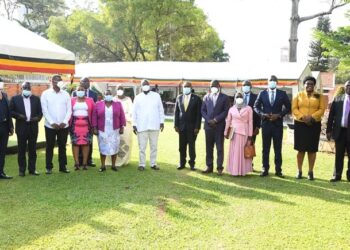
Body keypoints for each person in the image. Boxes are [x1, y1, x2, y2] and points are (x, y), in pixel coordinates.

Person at [254, 75, 291, 178]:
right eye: (270, 80)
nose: (272, 82)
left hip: (277, 125)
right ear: (267, 82)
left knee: (277, 148)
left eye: (274, 81)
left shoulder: (282, 94)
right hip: (266, 124)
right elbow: (255, 107)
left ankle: (278, 170)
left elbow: (288, 107)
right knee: (265, 148)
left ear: (277, 82)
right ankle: (265, 169)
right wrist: (262, 114)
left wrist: (279, 115)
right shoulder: (262, 93)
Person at [292, 76, 325, 180]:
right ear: (304, 85)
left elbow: (322, 109)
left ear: (314, 85)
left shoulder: (319, 96)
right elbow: (294, 108)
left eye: (311, 84)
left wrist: (312, 117)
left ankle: (310, 172)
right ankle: (299, 171)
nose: (309, 85)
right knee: (300, 149)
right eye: (307, 84)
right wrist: (302, 117)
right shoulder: (298, 95)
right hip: (300, 124)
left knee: (312, 149)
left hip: (314, 125)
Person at [10, 82, 42, 176]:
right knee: (21, 149)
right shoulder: (15, 99)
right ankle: (22, 170)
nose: (27, 90)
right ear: (21, 88)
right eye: (25, 88)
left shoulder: (36, 99)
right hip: (21, 127)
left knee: (33, 149)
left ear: (30, 89)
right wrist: (19, 116)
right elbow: (11, 111)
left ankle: (32, 169)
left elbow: (40, 112)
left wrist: (37, 118)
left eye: (28, 88)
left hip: (33, 127)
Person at [41, 75, 72, 174]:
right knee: (49, 146)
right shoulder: (45, 94)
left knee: (62, 146)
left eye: (60, 80)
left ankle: (63, 166)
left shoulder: (66, 94)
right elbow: (44, 110)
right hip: (50, 126)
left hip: (63, 126)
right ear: (52, 81)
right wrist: (52, 122)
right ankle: (48, 167)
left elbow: (69, 110)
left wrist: (65, 122)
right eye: (56, 80)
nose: (58, 81)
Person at [132, 79, 164, 171]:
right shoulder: (137, 97)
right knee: (142, 147)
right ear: (141, 86)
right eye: (143, 84)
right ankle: (142, 164)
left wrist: (162, 122)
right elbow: (134, 112)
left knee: (154, 146)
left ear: (149, 85)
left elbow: (160, 110)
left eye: (147, 84)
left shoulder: (156, 96)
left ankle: (153, 163)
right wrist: (134, 124)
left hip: (154, 125)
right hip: (142, 126)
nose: (145, 86)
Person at [201, 80, 230, 175]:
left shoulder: (225, 98)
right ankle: (209, 166)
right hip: (208, 126)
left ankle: (219, 167)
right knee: (209, 148)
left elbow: (226, 111)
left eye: (214, 85)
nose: (213, 87)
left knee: (219, 148)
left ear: (219, 86)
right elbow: (203, 110)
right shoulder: (206, 97)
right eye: (211, 86)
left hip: (219, 126)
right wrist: (209, 119)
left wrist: (216, 120)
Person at [92, 89, 126, 172]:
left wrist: (122, 127)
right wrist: (95, 128)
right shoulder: (98, 104)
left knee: (114, 146)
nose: (108, 95)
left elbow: (122, 115)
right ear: (104, 95)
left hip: (115, 129)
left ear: (112, 95)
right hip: (102, 129)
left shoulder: (118, 104)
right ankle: (103, 165)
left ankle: (113, 165)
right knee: (102, 147)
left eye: (110, 94)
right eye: (107, 94)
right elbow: (94, 117)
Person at [174, 81, 202, 171]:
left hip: (192, 128)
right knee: (181, 147)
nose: (186, 88)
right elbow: (176, 112)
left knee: (191, 147)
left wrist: (197, 127)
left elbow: (199, 114)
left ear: (191, 88)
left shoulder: (197, 98)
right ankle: (182, 163)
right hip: (181, 127)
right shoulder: (179, 97)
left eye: (187, 87)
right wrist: (176, 125)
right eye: (184, 87)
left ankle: (192, 164)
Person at [224, 92, 253, 176]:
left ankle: (243, 171)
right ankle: (234, 170)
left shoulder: (248, 108)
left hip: (245, 132)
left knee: (243, 151)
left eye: (240, 96)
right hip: (233, 132)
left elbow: (250, 121)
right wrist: (226, 132)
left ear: (243, 98)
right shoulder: (231, 109)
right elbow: (228, 121)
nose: (239, 98)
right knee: (234, 151)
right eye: (237, 97)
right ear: (234, 98)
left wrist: (250, 134)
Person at [326, 80, 350, 182]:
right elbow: (331, 116)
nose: (349, 87)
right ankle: (337, 175)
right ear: (344, 87)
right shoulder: (337, 99)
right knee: (338, 155)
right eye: (348, 85)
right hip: (339, 132)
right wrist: (328, 130)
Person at [72, 77, 98, 167]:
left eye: (88, 81)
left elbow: (95, 110)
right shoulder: (74, 94)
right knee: (76, 142)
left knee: (88, 143)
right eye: (84, 81)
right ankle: (78, 161)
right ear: (80, 82)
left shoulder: (93, 94)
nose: (86, 83)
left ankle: (88, 160)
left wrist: (94, 125)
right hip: (75, 124)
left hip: (88, 124)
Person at [113, 85, 133, 167]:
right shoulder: (113, 99)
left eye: (121, 89)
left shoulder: (128, 99)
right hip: (115, 123)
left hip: (126, 124)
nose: (120, 90)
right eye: (118, 89)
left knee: (125, 142)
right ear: (116, 90)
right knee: (116, 142)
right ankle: (115, 160)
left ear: (124, 90)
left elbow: (131, 112)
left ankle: (123, 160)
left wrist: (124, 117)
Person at [0, 78, 14, 179]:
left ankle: (1, 172)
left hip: (4, 127)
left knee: (2, 151)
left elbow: (8, 112)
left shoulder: (4, 95)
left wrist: (11, 127)